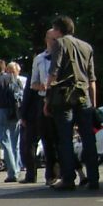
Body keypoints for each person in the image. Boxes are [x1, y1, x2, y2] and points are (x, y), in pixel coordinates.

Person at [46, 14, 99, 190]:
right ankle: (94, 177)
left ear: (59, 29)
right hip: (84, 95)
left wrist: (47, 98)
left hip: (64, 95)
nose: (52, 32)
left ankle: (68, 179)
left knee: (65, 139)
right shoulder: (87, 47)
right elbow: (92, 79)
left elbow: (54, 72)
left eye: (54, 29)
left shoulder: (59, 43)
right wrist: (94, 103)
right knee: (88, 138)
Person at [26, 29, 59, 185]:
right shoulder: (39, 59)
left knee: (62, 139)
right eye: (52, 39)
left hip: (61, 100)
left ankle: (65, 171)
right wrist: (42, 87)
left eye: (57, 39)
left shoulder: (64, 56)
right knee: (47, 140)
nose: (54, 43)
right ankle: (50, 174)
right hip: (44, 100)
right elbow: (33, 83)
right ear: (46, 40)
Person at [5, 62, 26, 173]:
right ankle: (15, 165)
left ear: (18, 71)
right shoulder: (4, 81)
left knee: (19, 141)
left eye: (13, 71)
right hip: (9, 113)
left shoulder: (23, 81)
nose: (10, 73)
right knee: (12, 141)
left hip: (20, 113)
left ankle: (19, 164)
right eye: (8, 71)